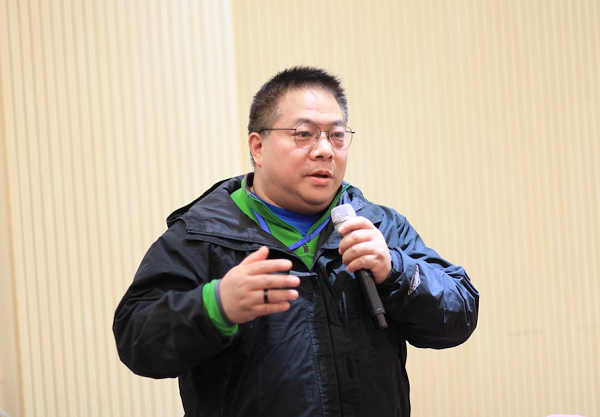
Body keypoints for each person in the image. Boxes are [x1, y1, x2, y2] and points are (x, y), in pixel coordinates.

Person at [113, 66, 479, 417]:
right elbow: (136, 340)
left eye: (337, 135)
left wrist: (396, 270)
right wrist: (215, 305)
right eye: (304, 134)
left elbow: (460, 314)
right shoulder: (201, 235)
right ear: (258, 147)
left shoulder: (378, 226)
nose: (325, 150)